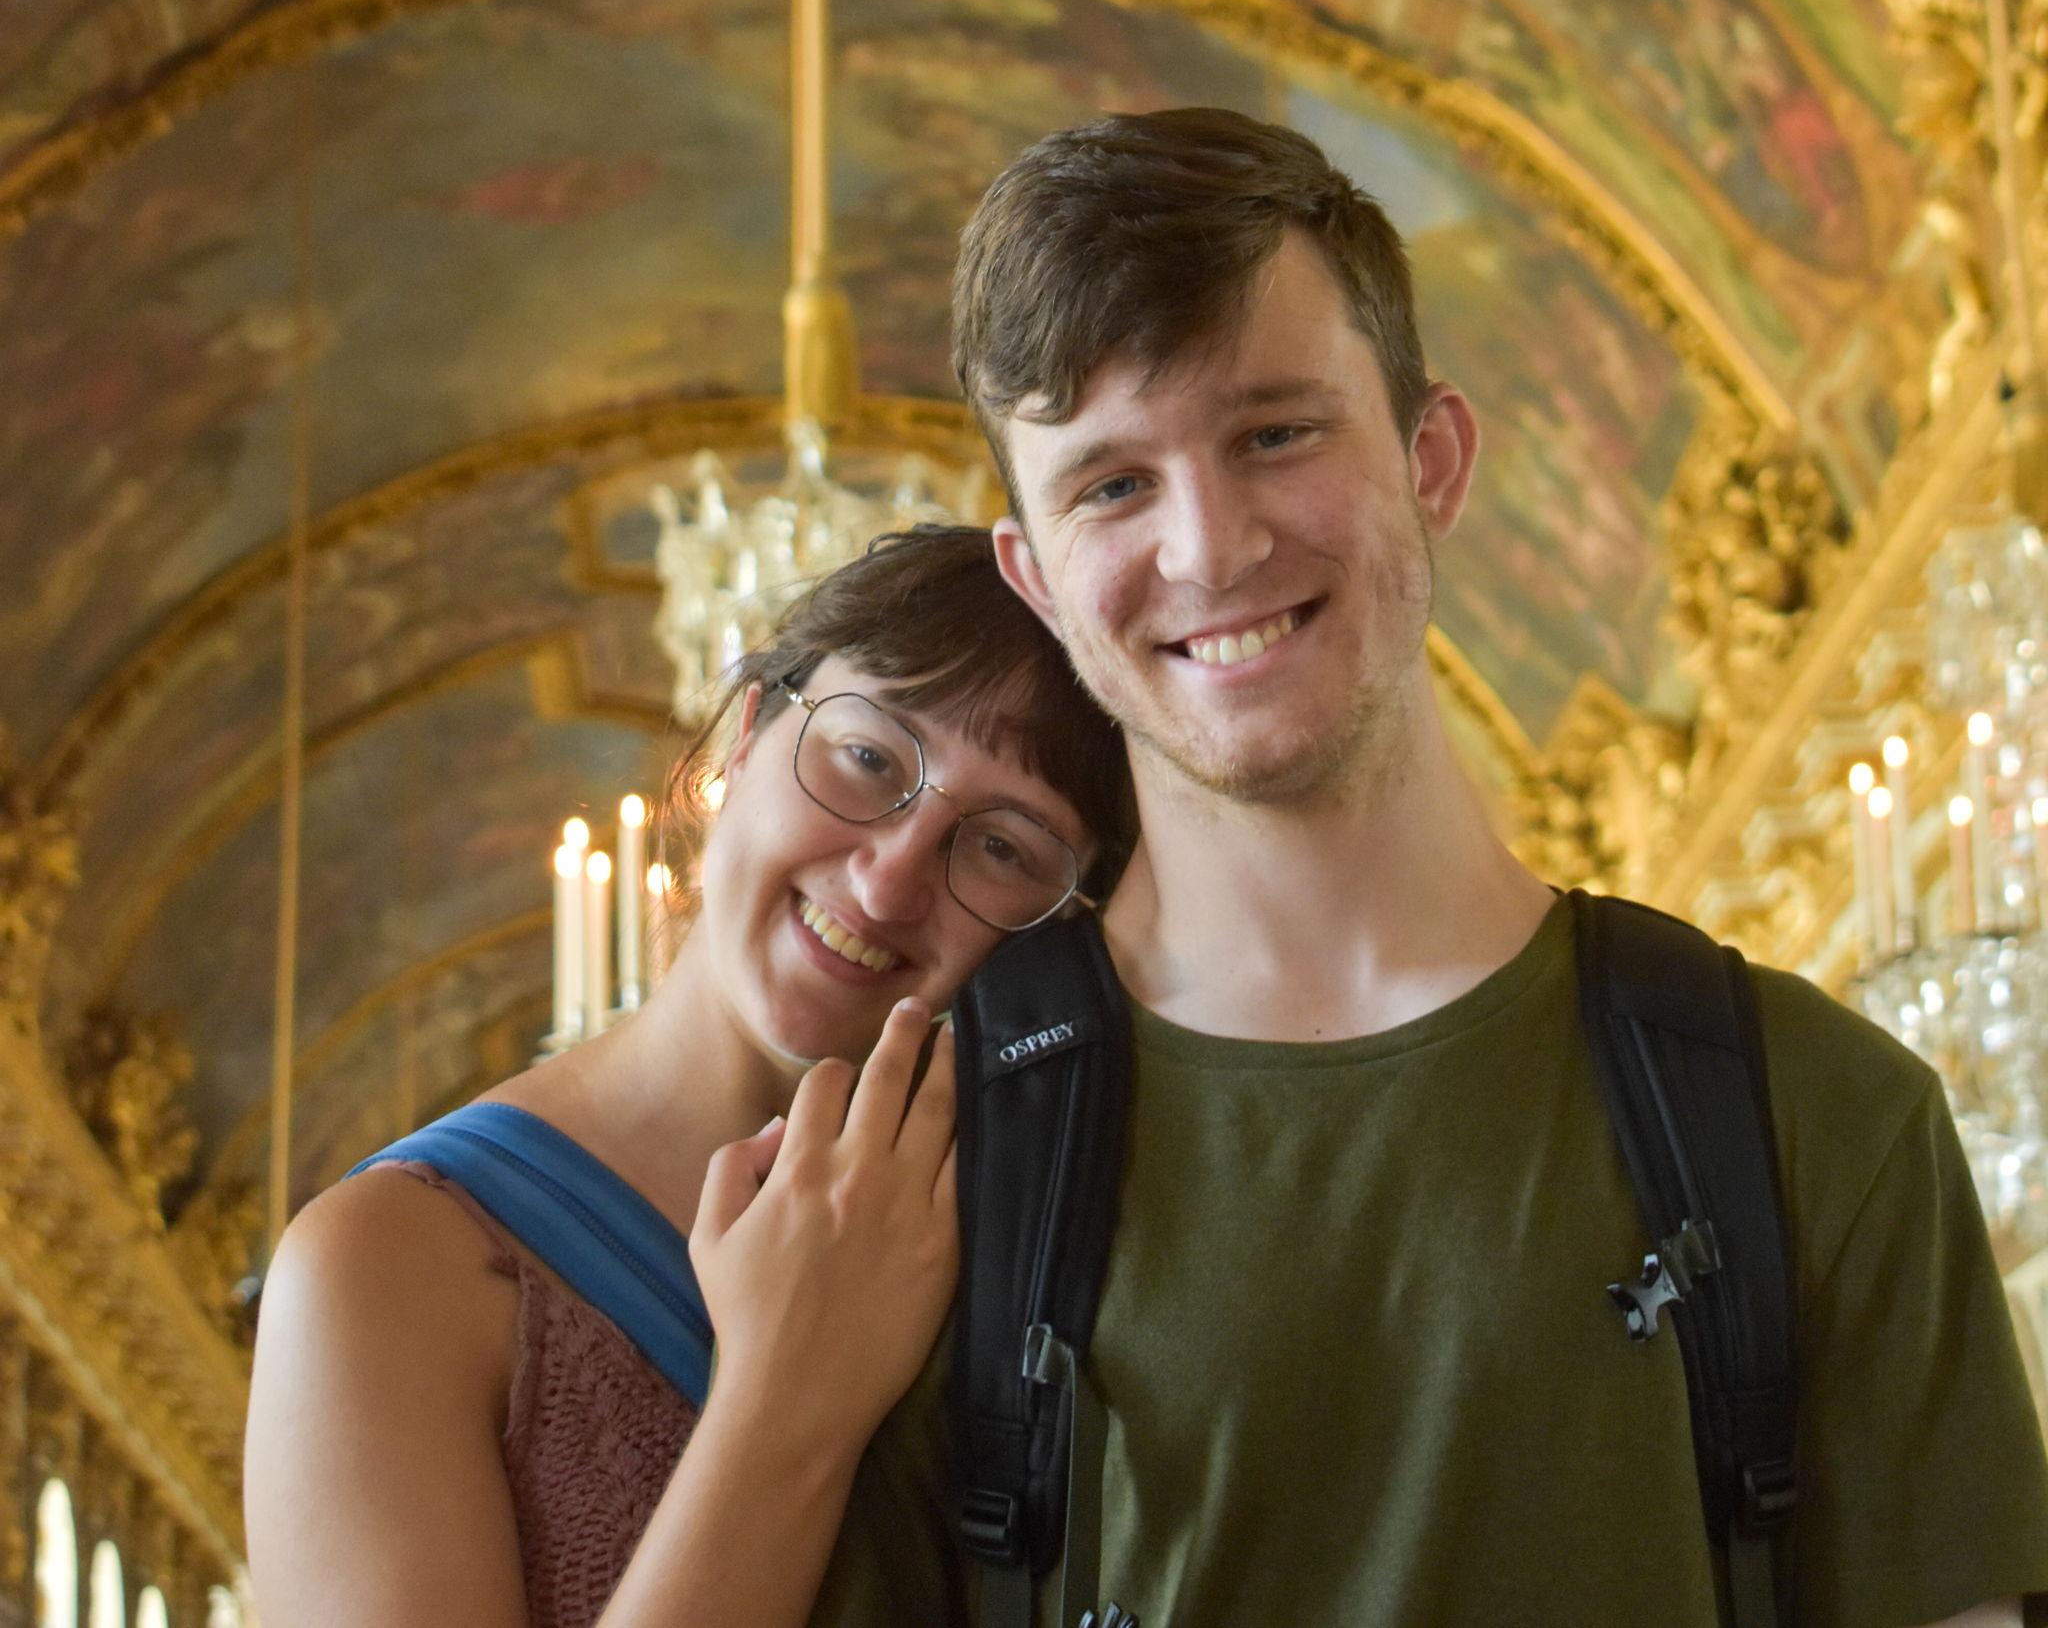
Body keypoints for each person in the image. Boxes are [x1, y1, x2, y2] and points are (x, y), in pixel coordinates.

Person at [809, 109, 2048, 1627]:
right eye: (1112, 484)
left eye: (1274, 431)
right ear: (1040, 579)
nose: (1209, 546)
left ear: (1434, 458)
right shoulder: (924, 1160)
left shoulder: (1820, 1115)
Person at [243, 525, 1134, 1628]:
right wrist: (791, 1399)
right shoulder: (382, 1266)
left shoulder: (1058, 1239)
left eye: (1003, 846)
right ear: (747, 736)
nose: (891, 874)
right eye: (866, 758)